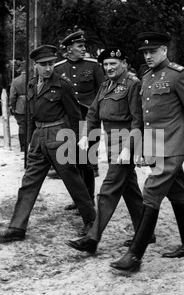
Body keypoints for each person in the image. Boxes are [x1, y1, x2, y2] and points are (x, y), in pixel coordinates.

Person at [110, 32, 184, 272]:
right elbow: (146, 118)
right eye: (145, 52)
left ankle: (134, 256)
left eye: (153, 51)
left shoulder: (179, 75)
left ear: (165, 51)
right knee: (176, 193)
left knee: (151, 192)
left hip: (174, 145)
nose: (148, 56)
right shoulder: (146, 77)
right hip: (157, 144)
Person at [0, 45, 96, 243]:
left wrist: (76, 143)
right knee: (28, 183)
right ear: (35, 66)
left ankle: (92, 222)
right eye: (43, 64)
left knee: (73, 181)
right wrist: (30, 141)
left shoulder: (62, 85)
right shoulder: (32, 85)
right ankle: (17, 227)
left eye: (51, 63)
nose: (48, 68)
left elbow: (75, 116)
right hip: (39, 138)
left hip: (60, 136)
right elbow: (32, 116)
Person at [65, 48, 154, 254]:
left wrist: (128, 148)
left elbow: (138, 121)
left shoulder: (133, 85)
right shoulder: (105, 85)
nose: (109, 68)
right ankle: (146, 233)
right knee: (129, 189)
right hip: (112, 140)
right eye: (105, 65)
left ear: (124, 64)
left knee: (108, 189)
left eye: (113, 63)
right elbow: (93, 113)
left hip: (126, 143)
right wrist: (86, 134)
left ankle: (92, 238)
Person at [54, 30, 105, 211]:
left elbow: (102, 92)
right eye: (79, 46)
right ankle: (79, 199)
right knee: (73, 162)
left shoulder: (94, 66)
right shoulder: (58, 68)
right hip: (69, 120)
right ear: (69, 49)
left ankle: (89, 200)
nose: (83, 49)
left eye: (84, 46)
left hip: (88, 119)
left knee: (87, 161)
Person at [9, 61, 27, 152]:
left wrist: (12, 106)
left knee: (22, 126)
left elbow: (12, 96)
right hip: (33, 105)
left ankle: (23, 146)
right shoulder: (34, 79)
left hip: (20, 106)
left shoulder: (16, 80)